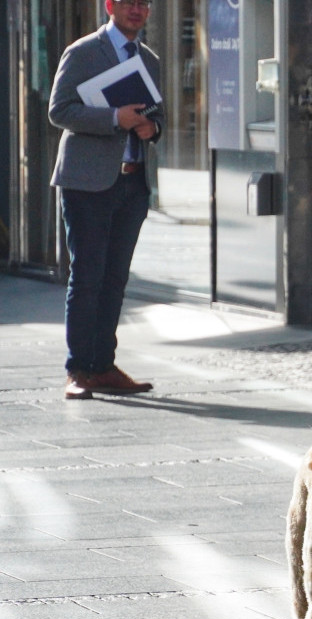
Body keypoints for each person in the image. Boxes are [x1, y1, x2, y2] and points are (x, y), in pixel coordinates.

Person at [49, 0, 163, 399]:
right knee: (87, 277)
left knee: (115, 278)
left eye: (144, 4)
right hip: (87, 183)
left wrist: (152, 127)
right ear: (110, 6)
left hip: (132, 184)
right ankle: (79, 370)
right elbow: (59, 110)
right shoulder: (82, 52)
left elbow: (156, 113)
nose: (137, 10)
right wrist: (116, 118)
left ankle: (103, 365)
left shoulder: (148, 59)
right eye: (129, 2)